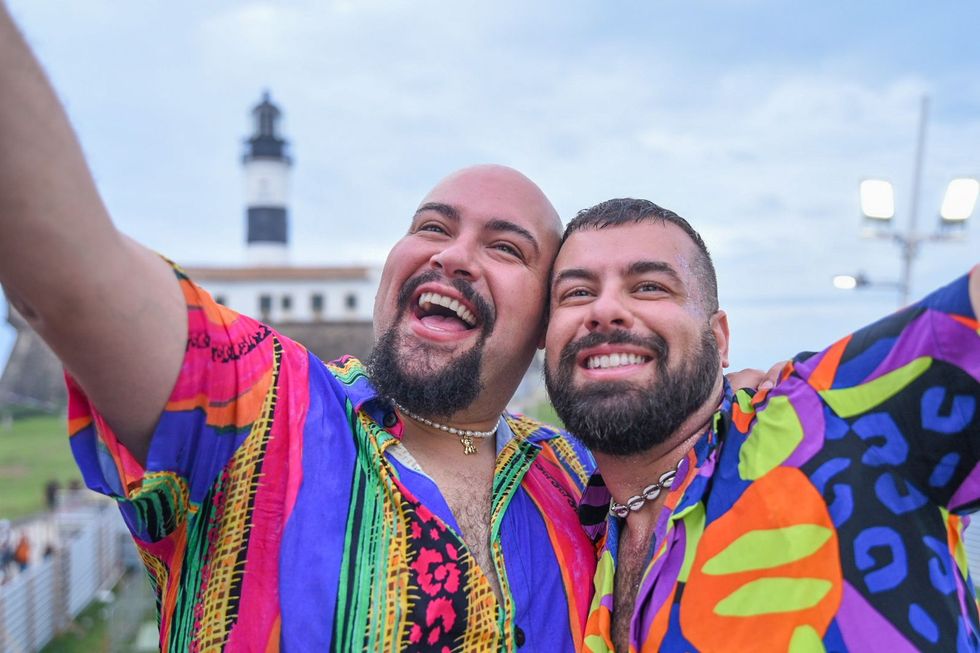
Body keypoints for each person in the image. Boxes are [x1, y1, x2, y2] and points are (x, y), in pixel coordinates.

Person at [544, 197, 980, 652]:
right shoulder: (575, 526)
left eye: (649, 286)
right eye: (577, 293)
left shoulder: (831, 414)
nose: (605, 309)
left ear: (719, 339)